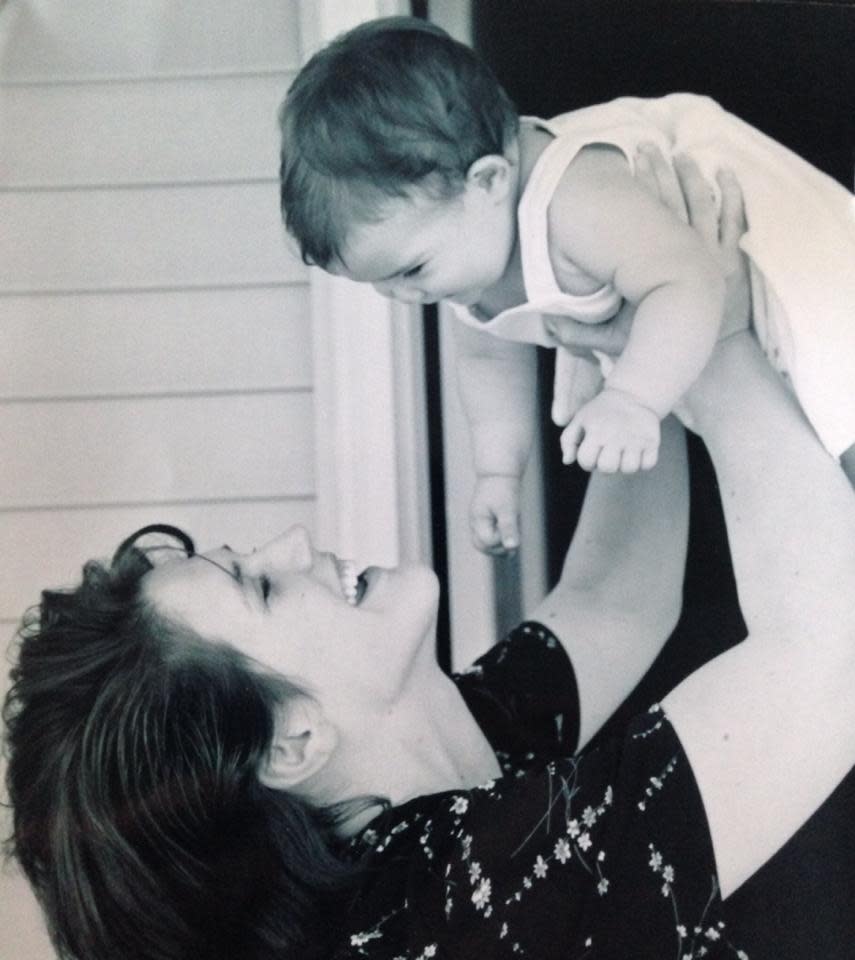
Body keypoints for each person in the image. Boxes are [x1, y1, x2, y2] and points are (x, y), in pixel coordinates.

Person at [5, 157, 855, 960]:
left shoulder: (420, 787)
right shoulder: (459, 912)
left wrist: (633, 347)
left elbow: (613, 602)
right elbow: (831, 660)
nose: (295, 544)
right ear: (293, 742)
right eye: (260, 586)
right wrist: (714, 323)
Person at [279, 16, 855, 555]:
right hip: (736, 332)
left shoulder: (575, 199)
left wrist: (632, 399)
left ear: (489, 180)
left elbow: (688, 277)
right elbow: (486, 355)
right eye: (379, 285)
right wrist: (497, 472)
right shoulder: (468, 247)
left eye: (409, 272)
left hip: (811, 277)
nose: (404, 298)